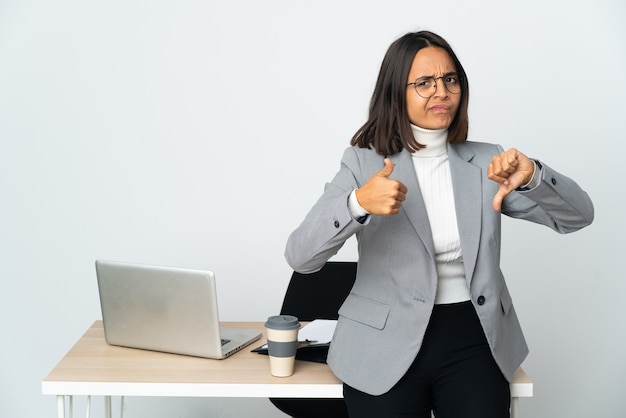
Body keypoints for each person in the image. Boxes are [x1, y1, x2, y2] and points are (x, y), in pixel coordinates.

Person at [284, 30, 594, 418]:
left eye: (450, 80)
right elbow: (301, 256)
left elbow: (578, 217)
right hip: (383, 343)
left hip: (473, 338)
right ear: (397, 91)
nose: (441, 92)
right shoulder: (363, 162)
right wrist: (356, 203)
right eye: (424, 83)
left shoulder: (489, 162)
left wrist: (532, 175)